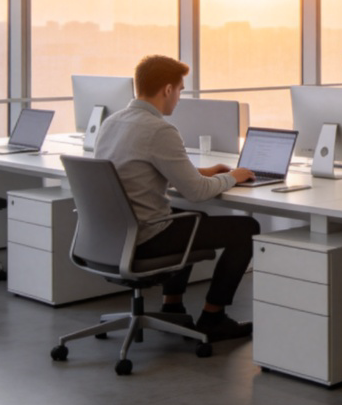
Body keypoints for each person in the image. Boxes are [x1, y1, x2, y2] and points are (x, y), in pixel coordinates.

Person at [94, 55, 258, 342]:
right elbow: (196, 193)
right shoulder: (159, 130)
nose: (180, 98)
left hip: (110, 237)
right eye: (180, 90)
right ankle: (213, 317)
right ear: (167, 89)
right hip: (145, 239)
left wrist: (201, 172)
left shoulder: (112, 122)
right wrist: (234, 177)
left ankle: (172, 306)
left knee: (193, 220)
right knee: (247, 229)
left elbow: (141, 168)